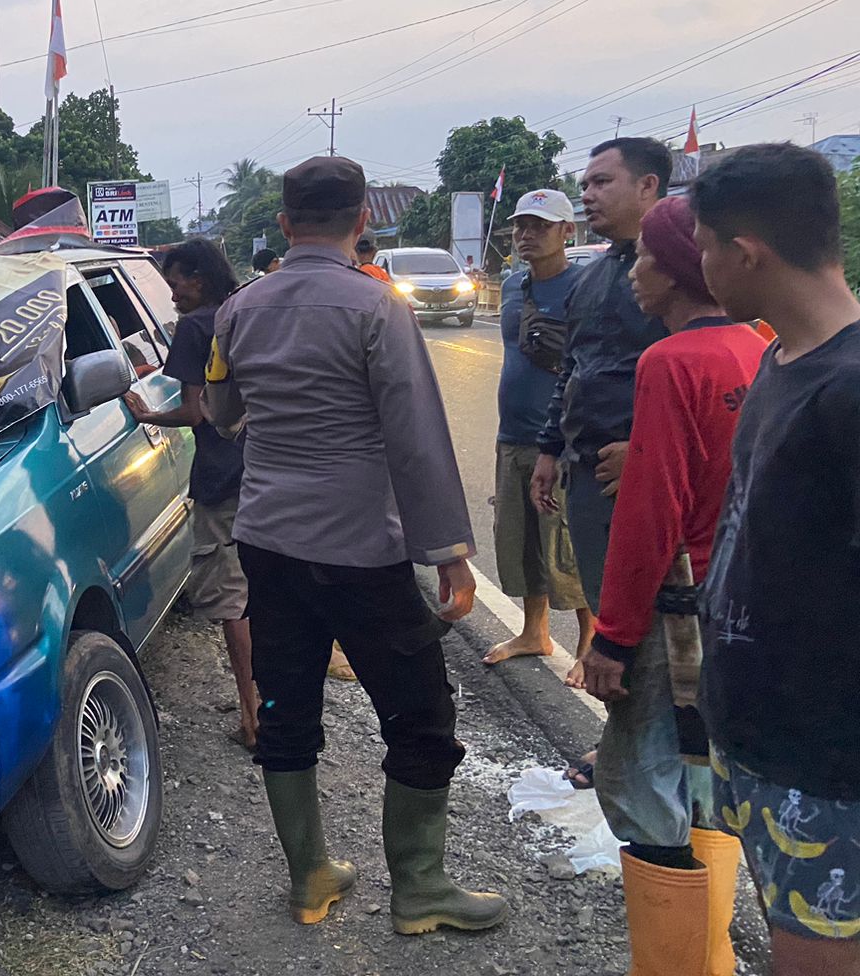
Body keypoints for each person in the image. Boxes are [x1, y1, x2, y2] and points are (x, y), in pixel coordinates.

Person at [204, 155, 506, 934]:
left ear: (282, 223)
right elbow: (417, 439)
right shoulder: (377, 308)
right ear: (362, 220)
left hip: (268, 541)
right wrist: (450, 552)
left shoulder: (241, 307)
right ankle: (421, 887)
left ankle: (310, 878)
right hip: (360, 548)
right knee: (420, 714)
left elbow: (224, 409)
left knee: (286, 706)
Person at [579, 195, 765, 976]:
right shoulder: (759, 348)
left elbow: (650, 515)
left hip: (674, 611)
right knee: (700, 771)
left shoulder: (673, 362)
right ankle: (712, 951)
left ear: (680, 269)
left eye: (647, 259)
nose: (634, 275)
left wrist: (613, 636)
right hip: (738, 606)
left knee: (636, 780)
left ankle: (679, 963)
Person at [690, 144, 860, 976]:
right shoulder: (779, 359)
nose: (701, 264)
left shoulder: (852, 390)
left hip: (825, 764)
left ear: (744, 253)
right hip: (758, 738)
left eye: (704, 245)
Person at [123, 240, 258, 749]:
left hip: (221, 477)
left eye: (176, 283)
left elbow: (195, 412)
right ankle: (274, 703)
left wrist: (147, 415)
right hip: (265, 470)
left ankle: (253, 718)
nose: (172, 293)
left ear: (199, 279)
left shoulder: (196, 327)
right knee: (267, 592)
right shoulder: (241, 311)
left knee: (233, 602)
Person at [531, 139, 669, 622]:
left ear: (648, 185)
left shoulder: (683, 271)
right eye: (585, 183)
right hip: (587, 472)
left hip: (652, 480)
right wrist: (550, 449)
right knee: (606, 604)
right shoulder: (592, 277)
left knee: (656, 622)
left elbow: (707, 380)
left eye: (602, 182)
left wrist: (651, 452)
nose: (587, 194)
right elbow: (573, 368)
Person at [485, 189, 591, 674]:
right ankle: (535, 632)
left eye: (540, 226)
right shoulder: (512, 286)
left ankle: (591, 642)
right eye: (521, 226)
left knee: (568, 543)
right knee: (520, 538)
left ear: (568, 231)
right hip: (513, 433)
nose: (527, 235)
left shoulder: (586, 286)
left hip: (564, 440)